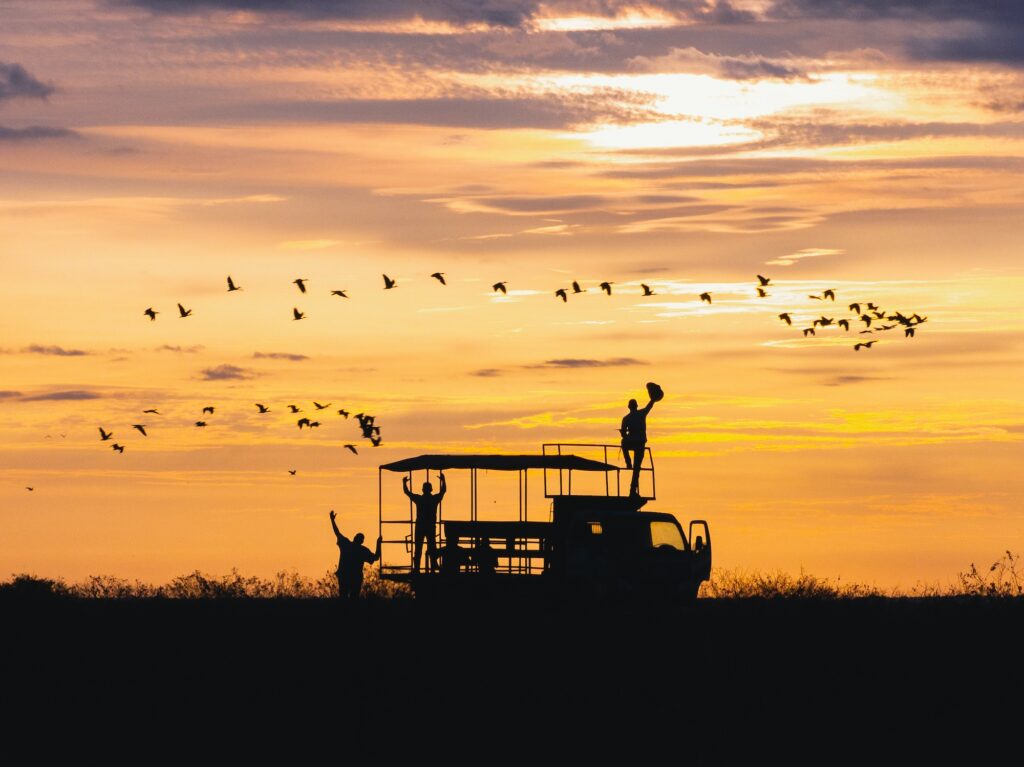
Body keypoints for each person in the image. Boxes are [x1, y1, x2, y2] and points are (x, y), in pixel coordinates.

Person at [329, 510, 381, 601]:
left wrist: (332, 520)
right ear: (362, 541)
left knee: (345, 598)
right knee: (352, 598)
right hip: (353, 577)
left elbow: (337, 533)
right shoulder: (361, 550)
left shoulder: (347, 545)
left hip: (346, 576)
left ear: (354, 538)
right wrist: (378, 544)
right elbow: (376, 557)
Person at [403, 471, 446, 574]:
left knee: (419, 548)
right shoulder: (433, 499)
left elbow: (407, 492)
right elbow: (443, 491)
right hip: (430, 527)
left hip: (420, 527)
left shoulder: (419, 499)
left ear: (423, 490)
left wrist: (404, 483)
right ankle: (433, 564)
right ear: (431, 489)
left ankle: (417, 568)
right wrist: (443, 481)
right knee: (432, 547)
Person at [620, 396, 656, 496]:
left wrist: (625, 434)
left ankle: (628, 462)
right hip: (640, 444)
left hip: (632, 443)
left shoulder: (626, 418)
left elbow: (623, 435)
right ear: (636, 406)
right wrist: (653, 399)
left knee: (623, 443)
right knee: (637, 469)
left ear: (629, 407)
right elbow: (649, 406)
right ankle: (632, 491)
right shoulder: (641, 414)